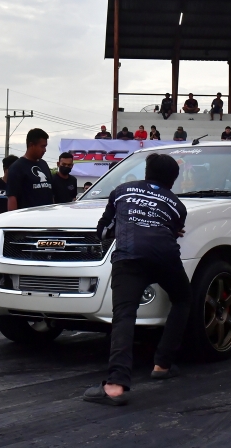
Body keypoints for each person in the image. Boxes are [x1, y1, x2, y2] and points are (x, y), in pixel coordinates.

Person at [84, 154, 189, 406]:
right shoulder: (177, 205)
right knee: (184, 299)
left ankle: (115, 386)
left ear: (145, 171)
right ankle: (162, 364)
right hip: (165, 257)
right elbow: (174, 230)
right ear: (173, 180)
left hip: (129, 257)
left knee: (124, 315)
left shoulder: (121, 191)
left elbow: (104, 230)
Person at [7, 128, 53, 211]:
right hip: (28, 220)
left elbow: (50, 193)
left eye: (45, 147)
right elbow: (12, 197)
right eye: (42, 146)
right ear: (31, 145)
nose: (45, 150)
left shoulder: (44, 164)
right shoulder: (17, 167)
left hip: (47, 219)